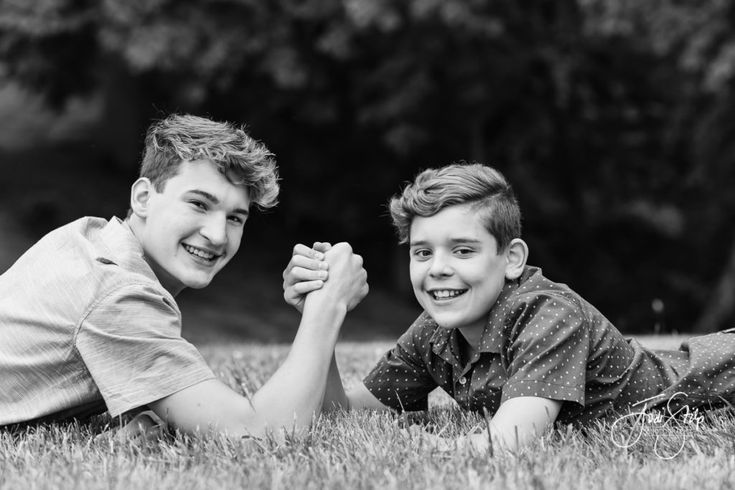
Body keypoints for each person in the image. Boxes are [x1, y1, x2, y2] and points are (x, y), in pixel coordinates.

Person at [283, 162, 735, 452]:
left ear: (512, 258)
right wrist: (323, 315)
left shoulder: (548, 312)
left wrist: (406, 452)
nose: (437, 269)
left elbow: (512, 440)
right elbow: (341, 416)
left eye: (462, 251)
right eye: (422, 253)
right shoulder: (434, 332)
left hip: (714, 382)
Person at [0, 114, 368, 439]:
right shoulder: (117, 292)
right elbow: (257, 434)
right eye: (198, 204)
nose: (218, 235)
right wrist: (327, 304)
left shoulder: (89, 239)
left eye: (235, 218)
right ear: (144, 197)